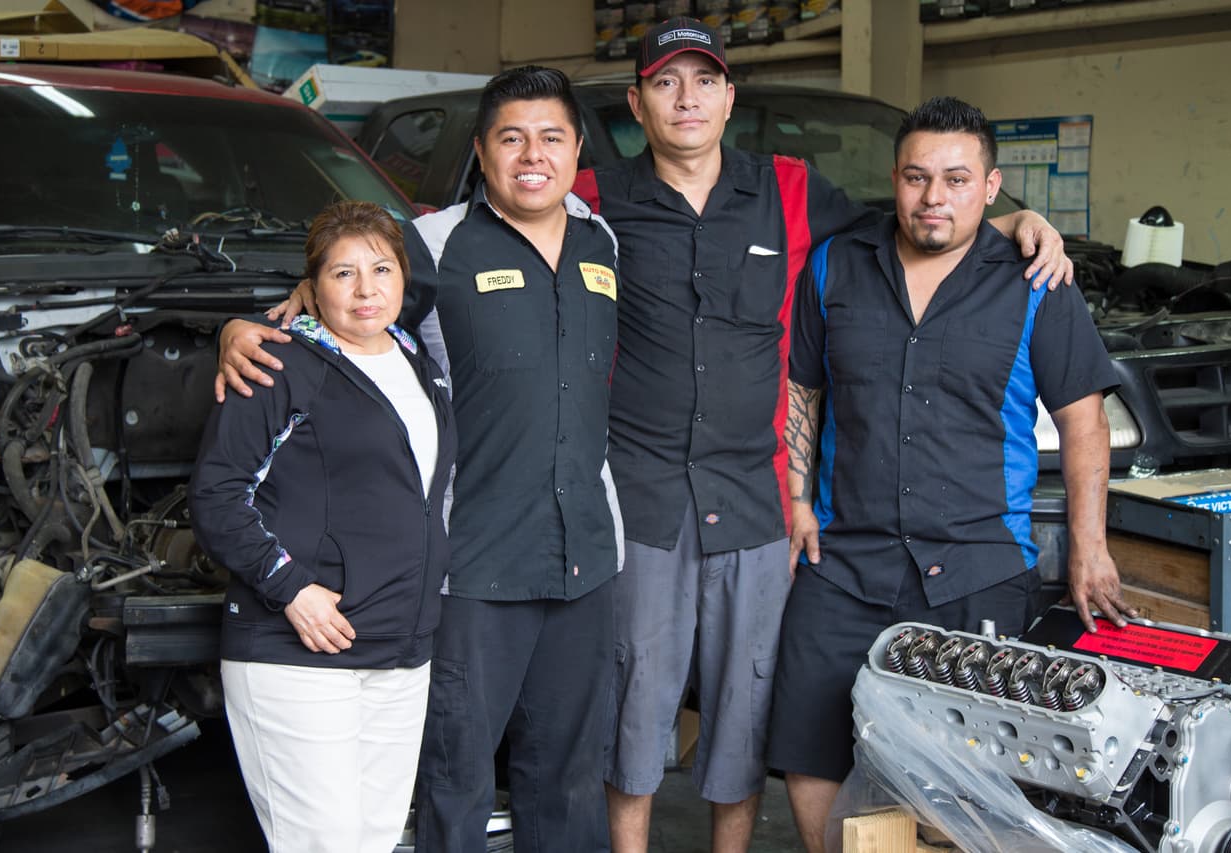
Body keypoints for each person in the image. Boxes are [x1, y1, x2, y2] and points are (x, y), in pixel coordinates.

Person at [569, 17, 1074, 853]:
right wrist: (322, 287)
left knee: (744, 710)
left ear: (731, 97)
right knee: (636, 702)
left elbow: (921, 220)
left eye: (703, 81)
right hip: (642, 494)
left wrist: (1026, 224)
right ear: (636, 102)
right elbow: (467, 239)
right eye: (665, 82)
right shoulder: (592, 196)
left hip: (759, 502)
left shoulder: (792, 190)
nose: (686, 98)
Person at [215, 67, 622, 853]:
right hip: (471, 563)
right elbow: (344, 296)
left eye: (550, 138)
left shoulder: (601, 243)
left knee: (571, 779)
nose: (531, 155)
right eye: (510, 138)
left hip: (585, 562)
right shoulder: (434, 246)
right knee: (454, 779)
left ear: (576, 150)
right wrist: (243, 326)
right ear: (480, 152)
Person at [766, 95, 1135, 853]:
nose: (935, 197)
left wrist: (1091, 544)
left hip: (975, 563)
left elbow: (1083, 421)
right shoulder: (837, 264)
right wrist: (797, 501)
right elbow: (803, 389)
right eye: (917, 177)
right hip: (844, 557)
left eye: (957, 180)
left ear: (992, 187)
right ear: (894, 180)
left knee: (969, 774)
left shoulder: (1037, 283)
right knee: (807, 734)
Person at [189, 200, 457, 853]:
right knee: (325, 843)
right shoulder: (279, 364)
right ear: (311, 285)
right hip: (298, 651)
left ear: (403, 278)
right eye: (343, 273)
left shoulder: (413, 357)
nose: (366, 289)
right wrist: (291, 588)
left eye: (381, 269)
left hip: (399, 650)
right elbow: (217, 493)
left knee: (373, 839)